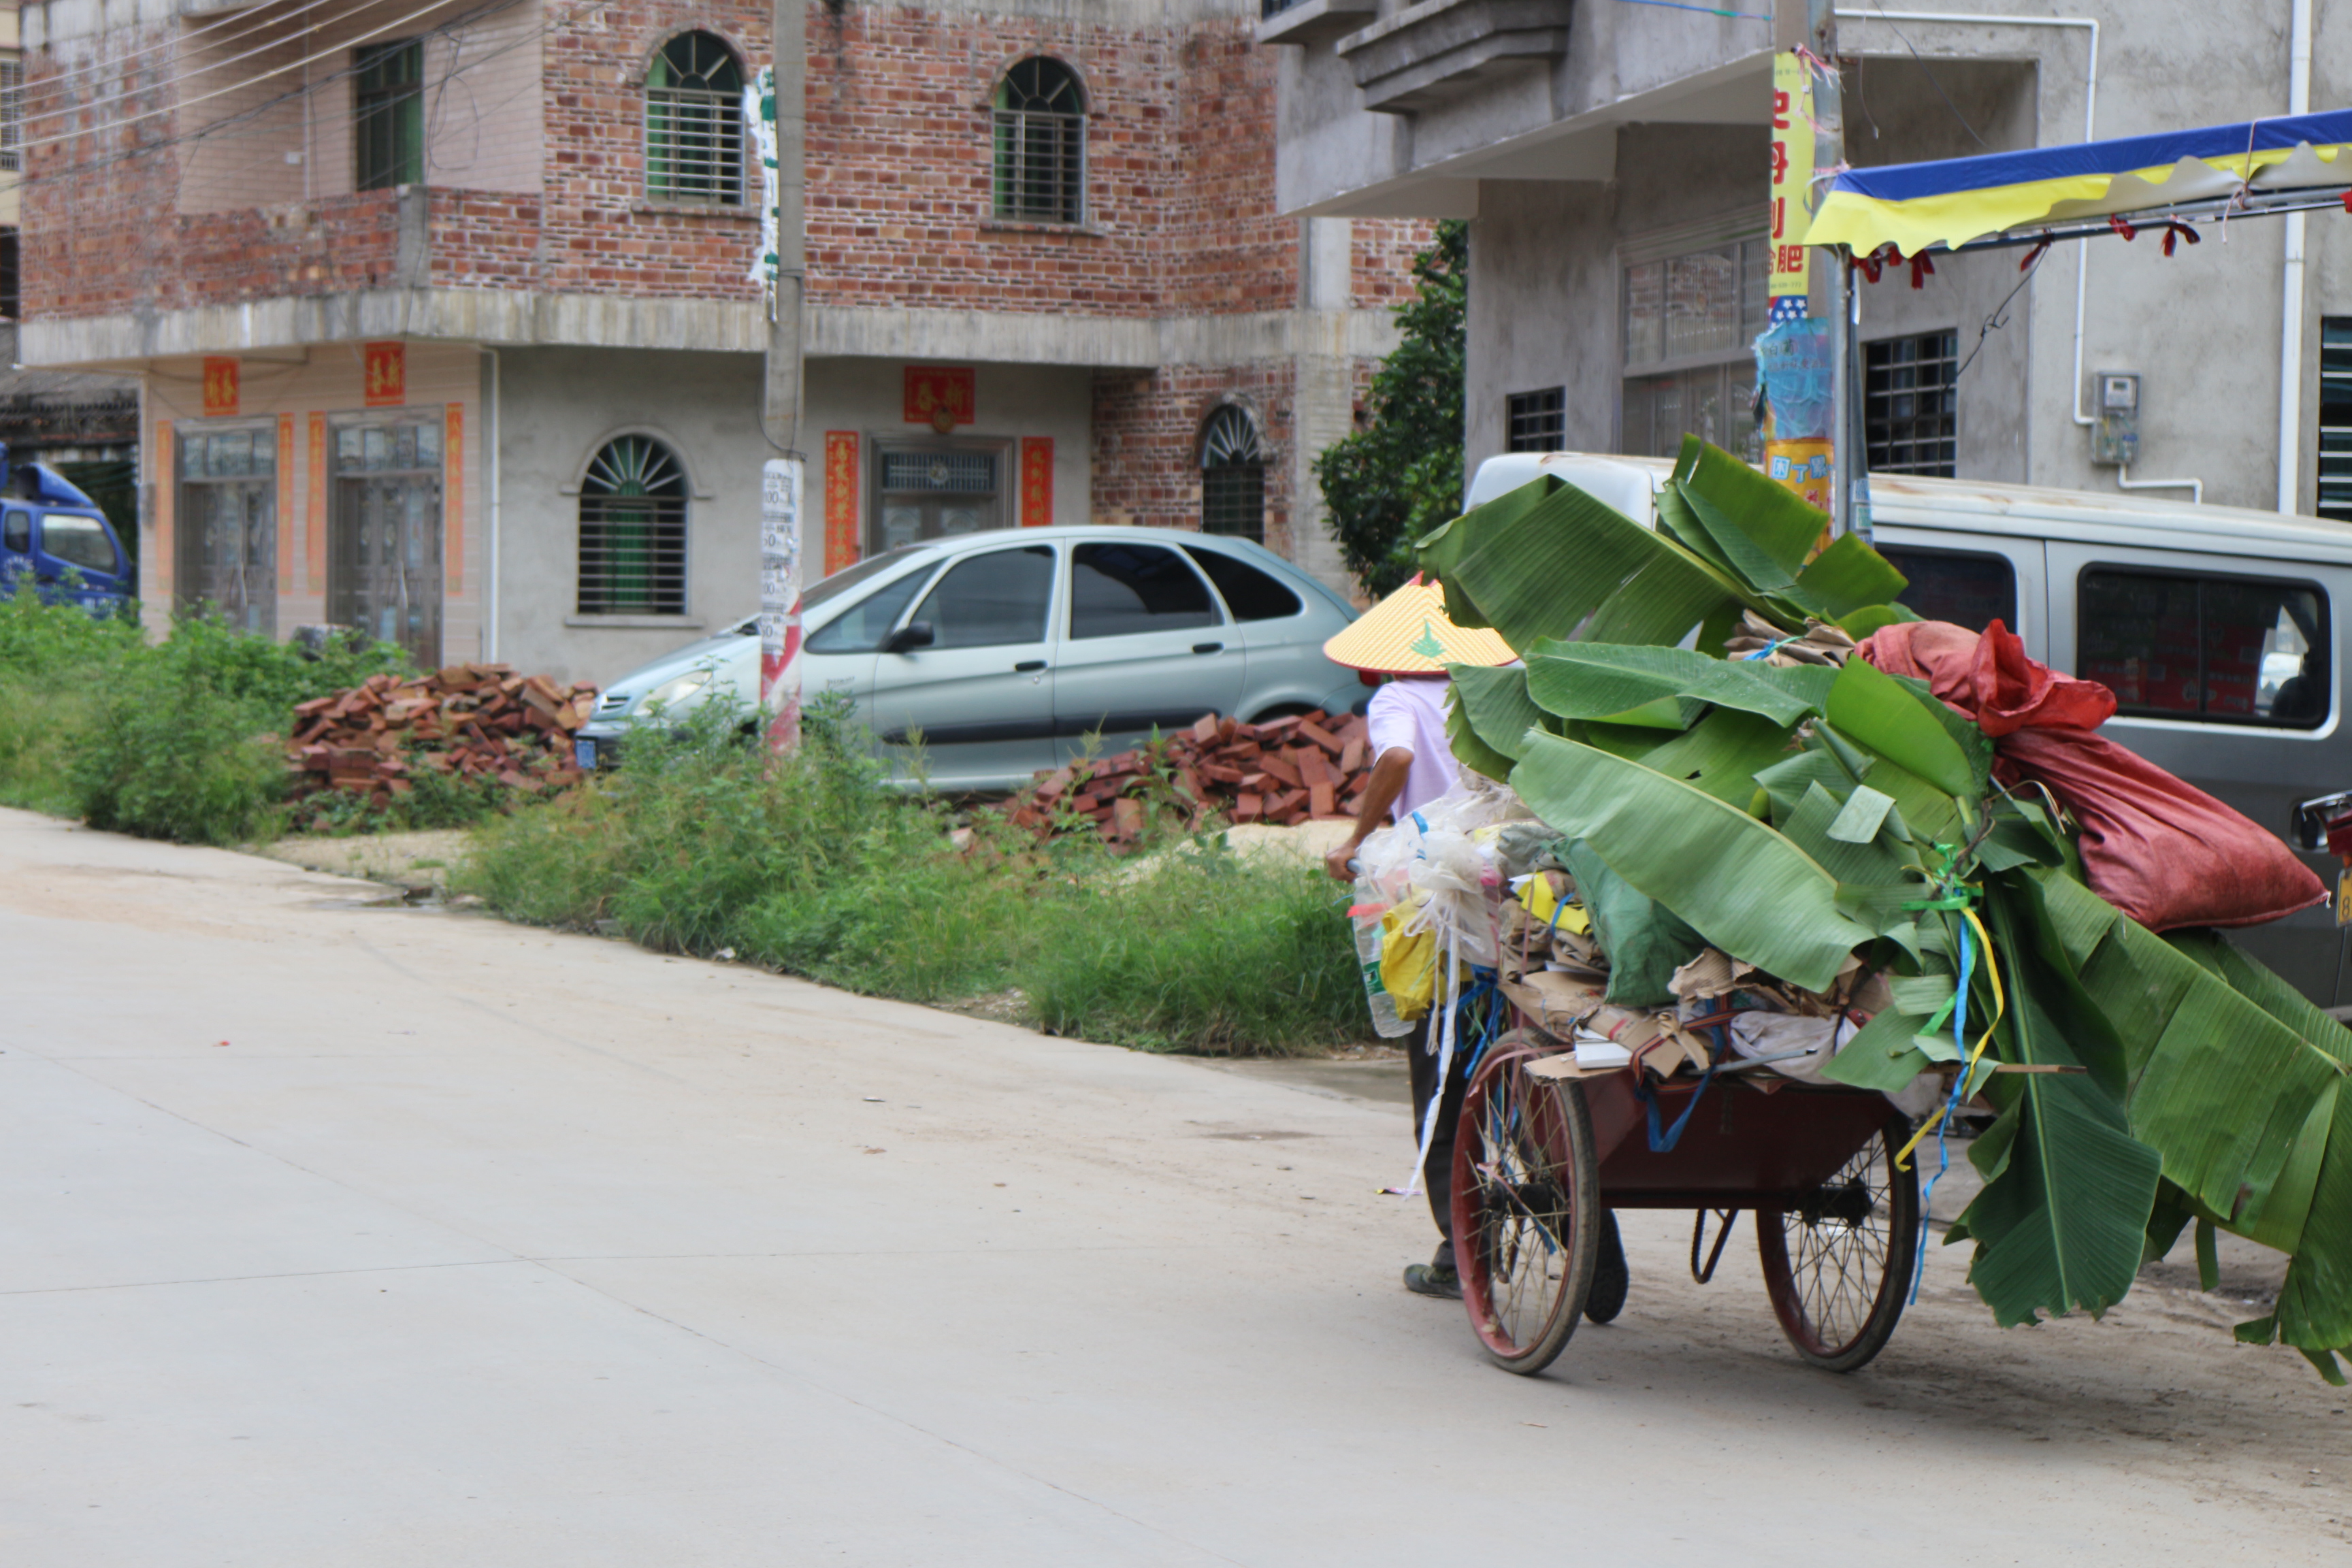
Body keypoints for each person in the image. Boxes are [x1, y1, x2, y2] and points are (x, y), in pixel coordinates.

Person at [1320, 578, 1629, 1310]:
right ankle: (1586, 1232)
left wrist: (1357, 836)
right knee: (1518, 1070)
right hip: (1519, 895)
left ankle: (1465, 1251)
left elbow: (1394, 761)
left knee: (1443, 1082)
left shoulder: (1398, 697)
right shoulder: (1499, 691)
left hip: (1436, 906)